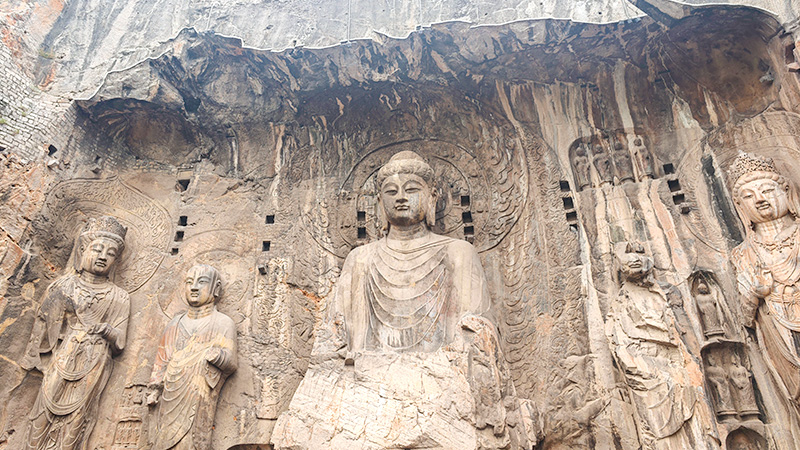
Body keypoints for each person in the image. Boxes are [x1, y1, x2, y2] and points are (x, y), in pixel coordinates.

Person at [273, 151, 536, 450]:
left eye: (411, 189)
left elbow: (476, 329)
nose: (400, 197)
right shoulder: (360, 259)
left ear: (433, 197)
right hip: (365, 387)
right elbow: (336, 335)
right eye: (390, 191)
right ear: (378, 202)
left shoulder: (458, 252)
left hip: (441, 383)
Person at [21, 216, 130, 450]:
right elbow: (42, 327)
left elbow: (120, 340)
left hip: (95, 360)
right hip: (62, 356)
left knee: (79, 415)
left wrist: (108, 330)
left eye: (110, 253)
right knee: (43, 409)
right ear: (82, 251)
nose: (103, 256)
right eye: (97, 249)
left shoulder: (119, 296)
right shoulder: (64, 285)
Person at [728, 152, 800, 405]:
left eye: (767, 191)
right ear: (741, 206)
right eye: (749, 196)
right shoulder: (743, 253)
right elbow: (746, 318)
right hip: (778, 327)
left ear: (786, 192)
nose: (759, 200)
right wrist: (755, 293)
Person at [147, 264, 237, 450]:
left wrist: (214, 355)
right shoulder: (175, 323)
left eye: (201, 282)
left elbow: (231, 363)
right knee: (162, 439)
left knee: (193, 442)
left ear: (216, 288)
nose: (194, 287)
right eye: (189, 282)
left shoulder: (222, 322)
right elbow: (161, 360)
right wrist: (155, 389)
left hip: (199, 394)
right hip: (170, 392)